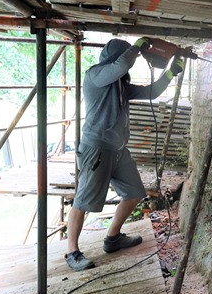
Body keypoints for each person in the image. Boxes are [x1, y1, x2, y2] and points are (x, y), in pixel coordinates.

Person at [65, 37, 184, 271]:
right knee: (83, 201)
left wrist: (171, 73)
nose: (132, 59)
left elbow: (152, 92)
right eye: (127, 55)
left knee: (134, 193)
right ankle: (72, 252)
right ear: (114, 57)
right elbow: (121, 65)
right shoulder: (96, 75)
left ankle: (113, 238)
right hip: (96, 149)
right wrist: (137, 46)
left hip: (118, 149)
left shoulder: (120, 84)